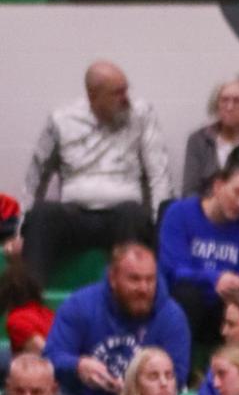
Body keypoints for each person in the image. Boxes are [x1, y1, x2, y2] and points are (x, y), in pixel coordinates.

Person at [17, 63, 169, 284]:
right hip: (74, 215)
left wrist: (161, 229)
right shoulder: (62, 120)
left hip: (123, 216)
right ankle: (28, 308)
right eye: (117, 93)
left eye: (126, 89)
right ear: (93, 95)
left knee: (135, 215)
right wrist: (21, 232)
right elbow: (34, 181)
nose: (126, 98)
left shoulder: (141, 114)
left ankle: (133, 305)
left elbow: (160, 176)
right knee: (41, 215)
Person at [44, 243, 191, 395]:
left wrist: (140, 386)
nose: (143, 288)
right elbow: (51, 357)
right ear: (113, 278)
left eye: (150, 279)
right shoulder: (80, 306)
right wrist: (78, 365)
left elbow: (178, 376)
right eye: (135, 279)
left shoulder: (171, 316)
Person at [158, 162, 239, 347]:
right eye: (238, 192)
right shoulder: (179, 213)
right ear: (218, 185)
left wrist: (235, 285)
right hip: (183, 301)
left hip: (222, 306)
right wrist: (215, 278)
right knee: (187, 295)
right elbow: (174, 269)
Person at [181, 76, 239, 207]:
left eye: (237, 101)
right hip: (205, 214)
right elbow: (189, 191)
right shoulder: (198, 140)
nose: (229, 107)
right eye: (224, 100)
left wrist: (231, 207)